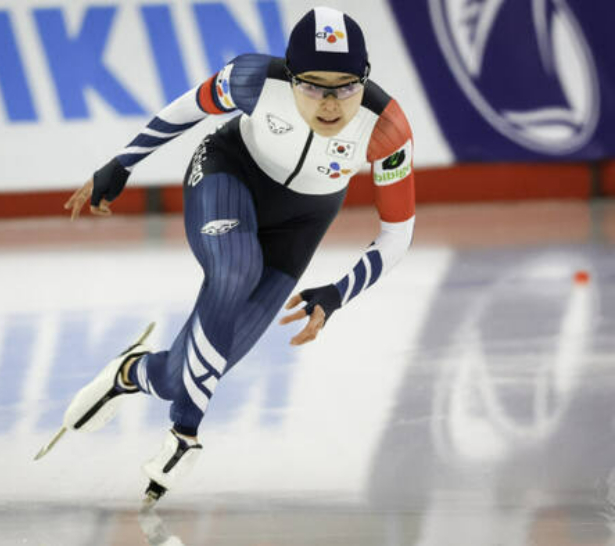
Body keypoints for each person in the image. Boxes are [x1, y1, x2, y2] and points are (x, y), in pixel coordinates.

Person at [49, 6, 415, 504]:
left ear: (365, 80)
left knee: (188, 372)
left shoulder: (387, 131)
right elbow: (187, 107)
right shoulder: (252, 80)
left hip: (302, 224)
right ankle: (186, 434)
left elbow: (397, 234)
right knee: (235, 269)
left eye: (345, 87)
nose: (330, 104)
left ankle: (130, 372)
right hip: (229, 174)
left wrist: (337, 292)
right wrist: (122, 163)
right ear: (289, 78)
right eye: (312, 86)